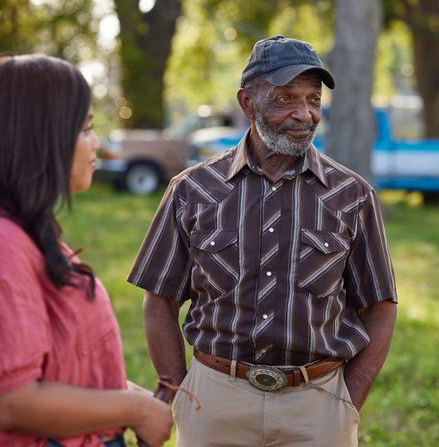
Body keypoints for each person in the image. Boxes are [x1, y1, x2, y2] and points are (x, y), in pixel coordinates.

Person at [129, 35, 397, 446]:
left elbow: (379, 307)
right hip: (214, 400)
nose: (304, 114)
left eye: (312, 99)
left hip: (317, 404)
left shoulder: (352, 196)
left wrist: (348, 400)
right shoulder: (192, 190)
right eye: (286, 98)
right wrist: (178, 392)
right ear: (247, 103)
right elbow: (159, 301)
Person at [0, 54, 173, 446]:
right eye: (85, 129)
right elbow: (10, 403)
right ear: (38, 138)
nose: (96, 143)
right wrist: (134, 410)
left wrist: (126, 393)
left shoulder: (25, 232)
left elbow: (53, 363)